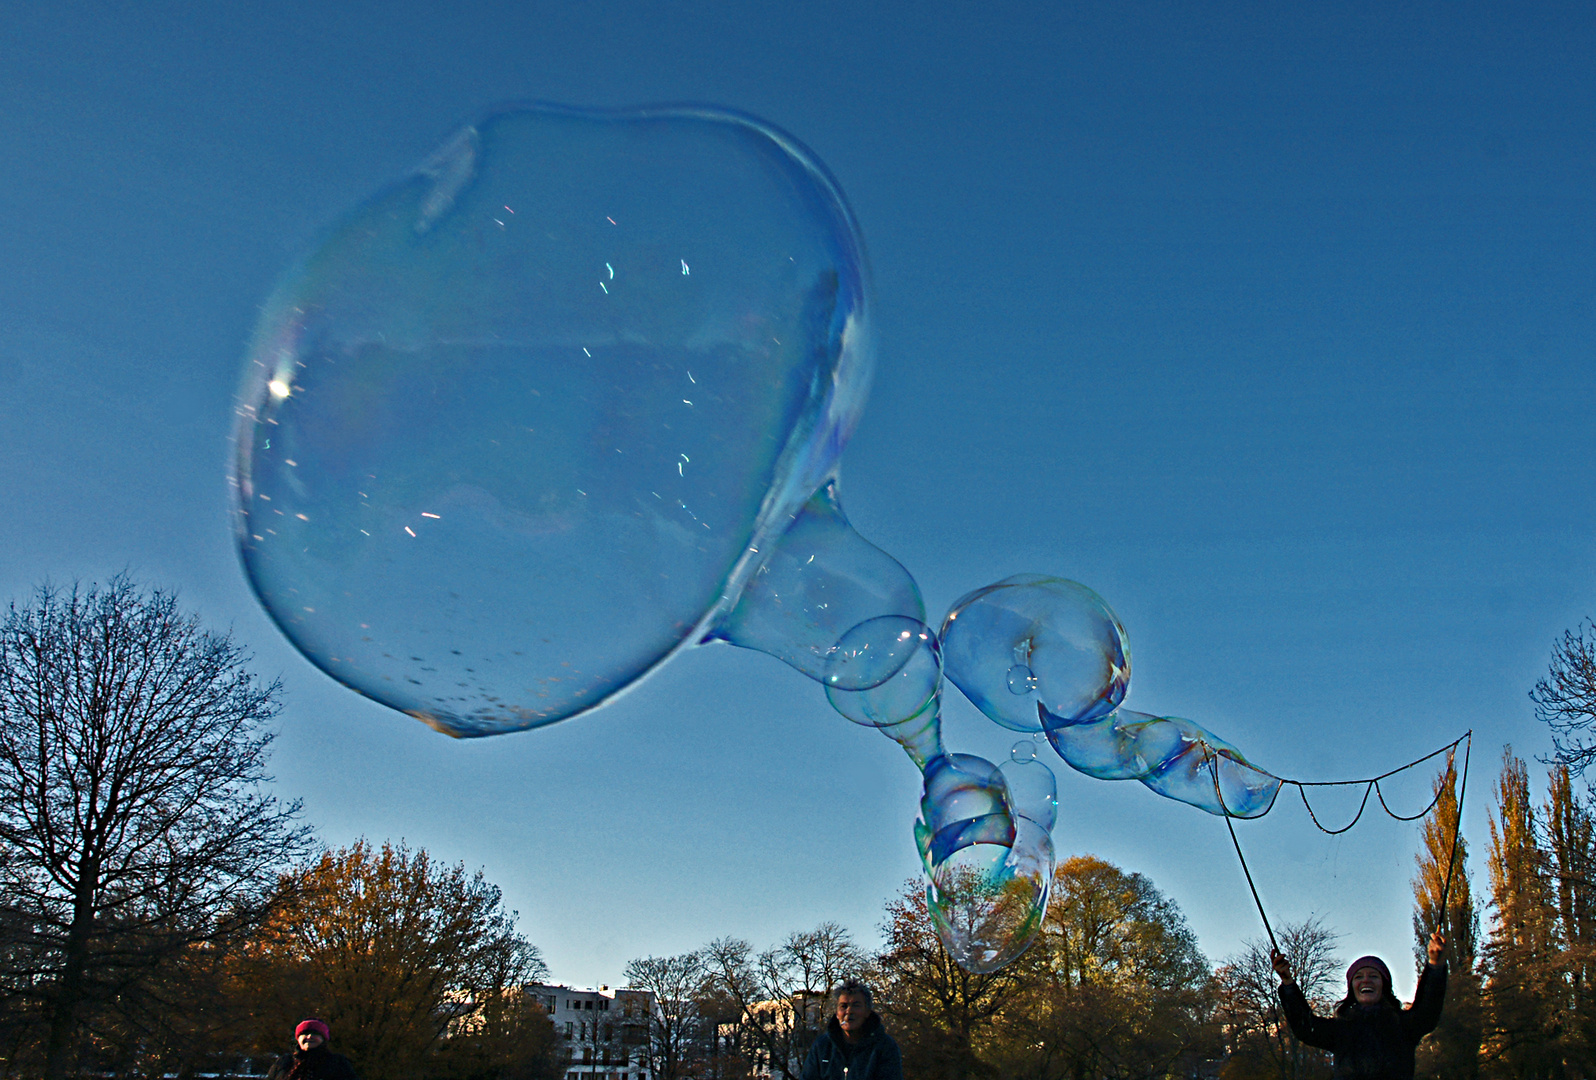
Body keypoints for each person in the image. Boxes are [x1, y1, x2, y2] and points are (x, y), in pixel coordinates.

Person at [1271, 931, 1447, 1080]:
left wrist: (1435, 966)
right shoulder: (1341, 1029)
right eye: (1358, 977)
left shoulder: (1403, 1025)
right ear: (1352, 988)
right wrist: (1288, 983)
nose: (1366, 980)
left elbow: (1427, 1012)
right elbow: (1305, 1028)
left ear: (1384, 986)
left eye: (1373, 976)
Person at [799, 979, 903, 1080]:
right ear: (836, 1013)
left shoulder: (884, 1047)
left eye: (856, 1005)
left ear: (867, 1011)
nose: (849, 1011)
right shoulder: (822, 1047)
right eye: (843, 1006)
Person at [265, 1018, 358, 1080]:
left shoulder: (337, 1063)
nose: (309, 1036)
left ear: (323, 1039)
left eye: (315, 1033)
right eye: (305, 1033)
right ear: (298, 1038)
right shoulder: (284, 1063)